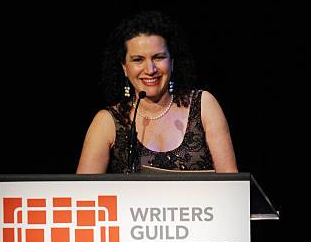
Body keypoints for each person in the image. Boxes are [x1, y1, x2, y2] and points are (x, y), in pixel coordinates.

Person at [77, 10, 238, 174]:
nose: (150, 69)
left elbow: (232, 185)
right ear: (124, 67)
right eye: (138, 59)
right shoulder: (107, 122)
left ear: (172, 61)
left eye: (159, 57)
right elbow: (83, 194)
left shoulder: (203, 105)